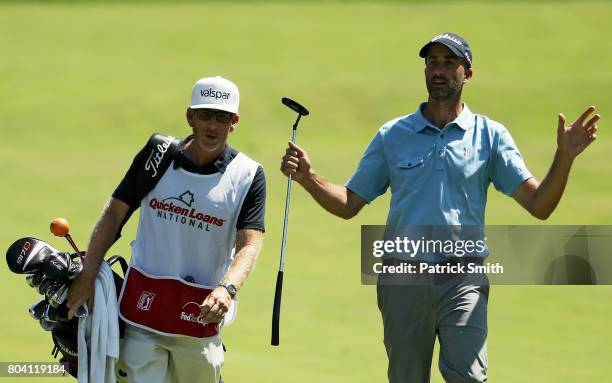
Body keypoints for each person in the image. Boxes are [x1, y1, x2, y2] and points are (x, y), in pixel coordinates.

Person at [280, 32, 600, 383]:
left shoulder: (489, 136)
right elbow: (348, 203)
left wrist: (564, 157)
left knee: (469, 378)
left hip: (463, 278)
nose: (439, 70)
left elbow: (540, 205)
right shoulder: (393, 135)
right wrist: (309, 177)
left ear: (468, 74)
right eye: (432, 62)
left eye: (450, 63)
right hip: (402, 277)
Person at [67, 76, 266, 383]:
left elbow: (249, 245)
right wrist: (89, 271)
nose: (213, 126)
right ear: (190, 116)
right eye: (205, 115)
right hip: (141, 315)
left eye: (222, 117)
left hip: (199, 319)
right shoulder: (157, 154)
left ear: (234, 122)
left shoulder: (248, 175)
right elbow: (114, 214)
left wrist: (228, 289)